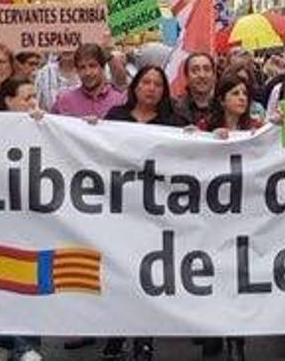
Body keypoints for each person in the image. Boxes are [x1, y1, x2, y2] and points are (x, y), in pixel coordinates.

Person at [102, 66, 183, 360]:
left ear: (164, 91)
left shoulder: (174, 123)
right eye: (146, 82)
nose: (151, 88)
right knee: (120, 274)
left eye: (158, 84)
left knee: (149, 275)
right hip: (121, 208)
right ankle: (115, 333)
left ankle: (144, 338)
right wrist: (89, 129)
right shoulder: (114, 118)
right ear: (135, 86)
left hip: (156, 211)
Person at [0, 79, 45, 361]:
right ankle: (5, 342)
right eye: (27, 98)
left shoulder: (44, 125)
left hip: (31, 216)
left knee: (27, 278)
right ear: (8, 101)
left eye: (35, 96)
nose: (34, 102)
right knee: (0, 278)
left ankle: (27, 345)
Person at [53, 43, 126, 121]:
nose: (87, 73)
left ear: (102, 68)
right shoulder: (64, 101)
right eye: (82, 67)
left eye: (92, 66)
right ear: (77, 71)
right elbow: (49, 127)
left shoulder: (120, 101)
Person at [174, 52, 218, 129]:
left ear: (214, 76)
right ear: (186, 77)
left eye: (207, 70)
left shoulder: (224, 109)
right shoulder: (174, 109)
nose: (202, 75)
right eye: (195, 71)